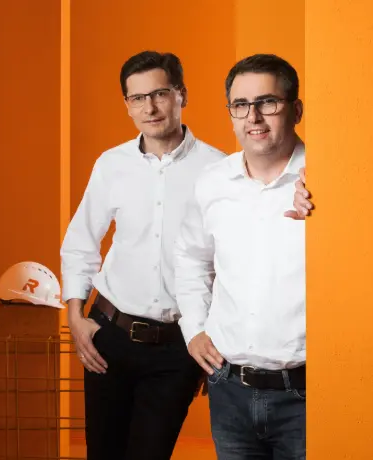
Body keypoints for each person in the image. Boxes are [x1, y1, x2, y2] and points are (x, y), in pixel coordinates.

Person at [60, 50, 226, 460]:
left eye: (159, 94)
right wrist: (75, 318)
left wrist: (213, 337)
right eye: (137, 98)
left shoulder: (219, 170)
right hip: (109, 335)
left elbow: (229, 262)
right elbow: (81, 241)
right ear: (127, 105)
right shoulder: (111, 164)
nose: (149, 108)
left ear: (181, 94)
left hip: (177, 347)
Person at [175, 54, 307, 459]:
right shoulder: (213, 182)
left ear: (296, 110)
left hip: (307, 394)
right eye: (241, 105)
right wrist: (194, 329)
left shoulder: (326, 181)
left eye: (268, 102)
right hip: (229, 391)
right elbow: (191, 259)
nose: (254, 117)